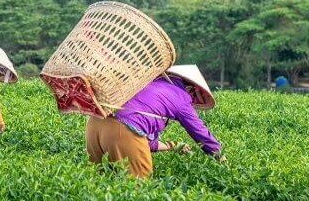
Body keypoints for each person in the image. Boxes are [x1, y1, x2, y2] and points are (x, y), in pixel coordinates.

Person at [85, 64, 225, 179]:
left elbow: (144, 141)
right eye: (193, 96)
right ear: (190, 89)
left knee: (98, 180)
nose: (192, 102)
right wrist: (220, 156)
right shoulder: (181, 96)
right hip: (123, 130)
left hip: (95, 123)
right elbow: (200, 131)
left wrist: (172, 146)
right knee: (136, 190)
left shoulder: (149, 84)